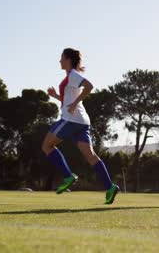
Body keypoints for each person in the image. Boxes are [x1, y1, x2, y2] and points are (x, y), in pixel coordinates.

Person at [42, 48, 119, 204]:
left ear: (68, 59)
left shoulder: (73, 75)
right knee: (90, 156)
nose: (59, 61)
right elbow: (69, 99)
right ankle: (110, 187)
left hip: (71, 120)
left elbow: (89, 86)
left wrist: (74, 104)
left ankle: (68, 176)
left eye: (61, 58)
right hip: (83, 121)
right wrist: (56, 96)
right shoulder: (70, 77)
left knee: (47, 146)